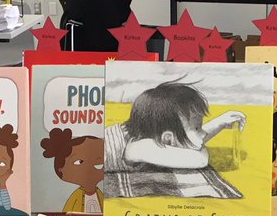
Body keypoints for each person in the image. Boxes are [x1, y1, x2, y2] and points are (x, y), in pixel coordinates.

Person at [103, 79, 245, 199]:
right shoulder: (141, 148)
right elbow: (200, 159)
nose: (203, 134)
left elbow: (187, 142)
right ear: (167, 140)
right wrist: (201, 145)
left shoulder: (148, 135)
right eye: (197, 128)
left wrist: (219, 123)